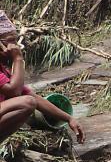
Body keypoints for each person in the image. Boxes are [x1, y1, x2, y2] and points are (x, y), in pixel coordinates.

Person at [0, 13, 83, 144]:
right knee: (26, 103)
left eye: (16, 40)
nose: (15, 46)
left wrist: (69, 119)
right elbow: (15, 92)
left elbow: (32, 96)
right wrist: (18, 59)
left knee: (29, 101)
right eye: (10, 41)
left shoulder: (3, 68)